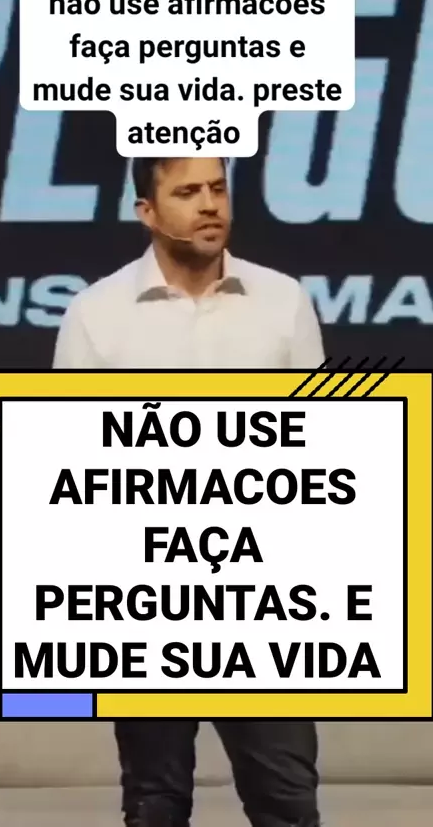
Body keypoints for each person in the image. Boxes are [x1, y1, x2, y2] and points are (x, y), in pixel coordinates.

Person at [53, 157, 324, 827]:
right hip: (145, 596)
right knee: (155, 799)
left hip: (263, 597)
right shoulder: (96, 314)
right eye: (186, 192)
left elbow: (323, 445)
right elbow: (68, 463)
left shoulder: (284, 301)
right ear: (147, 211)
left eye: (217, 188)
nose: (209, 204)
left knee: (287, 798)